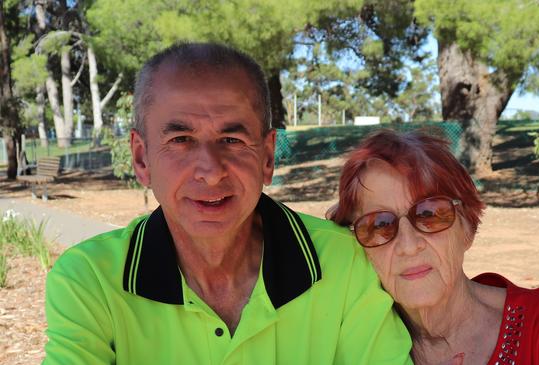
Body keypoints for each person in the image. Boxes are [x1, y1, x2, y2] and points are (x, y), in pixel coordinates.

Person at [43, 43, 412, 365]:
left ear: (267, 158)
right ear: (141, 159)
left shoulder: (342, 263)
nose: (211, 171)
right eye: (182, 139)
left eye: (232, 139)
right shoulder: (90, 281)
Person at [328, 129, 539, 365]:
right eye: (379, 225)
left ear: (467, 227)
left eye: (430, 215)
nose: (408, 246)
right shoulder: (353, 343)